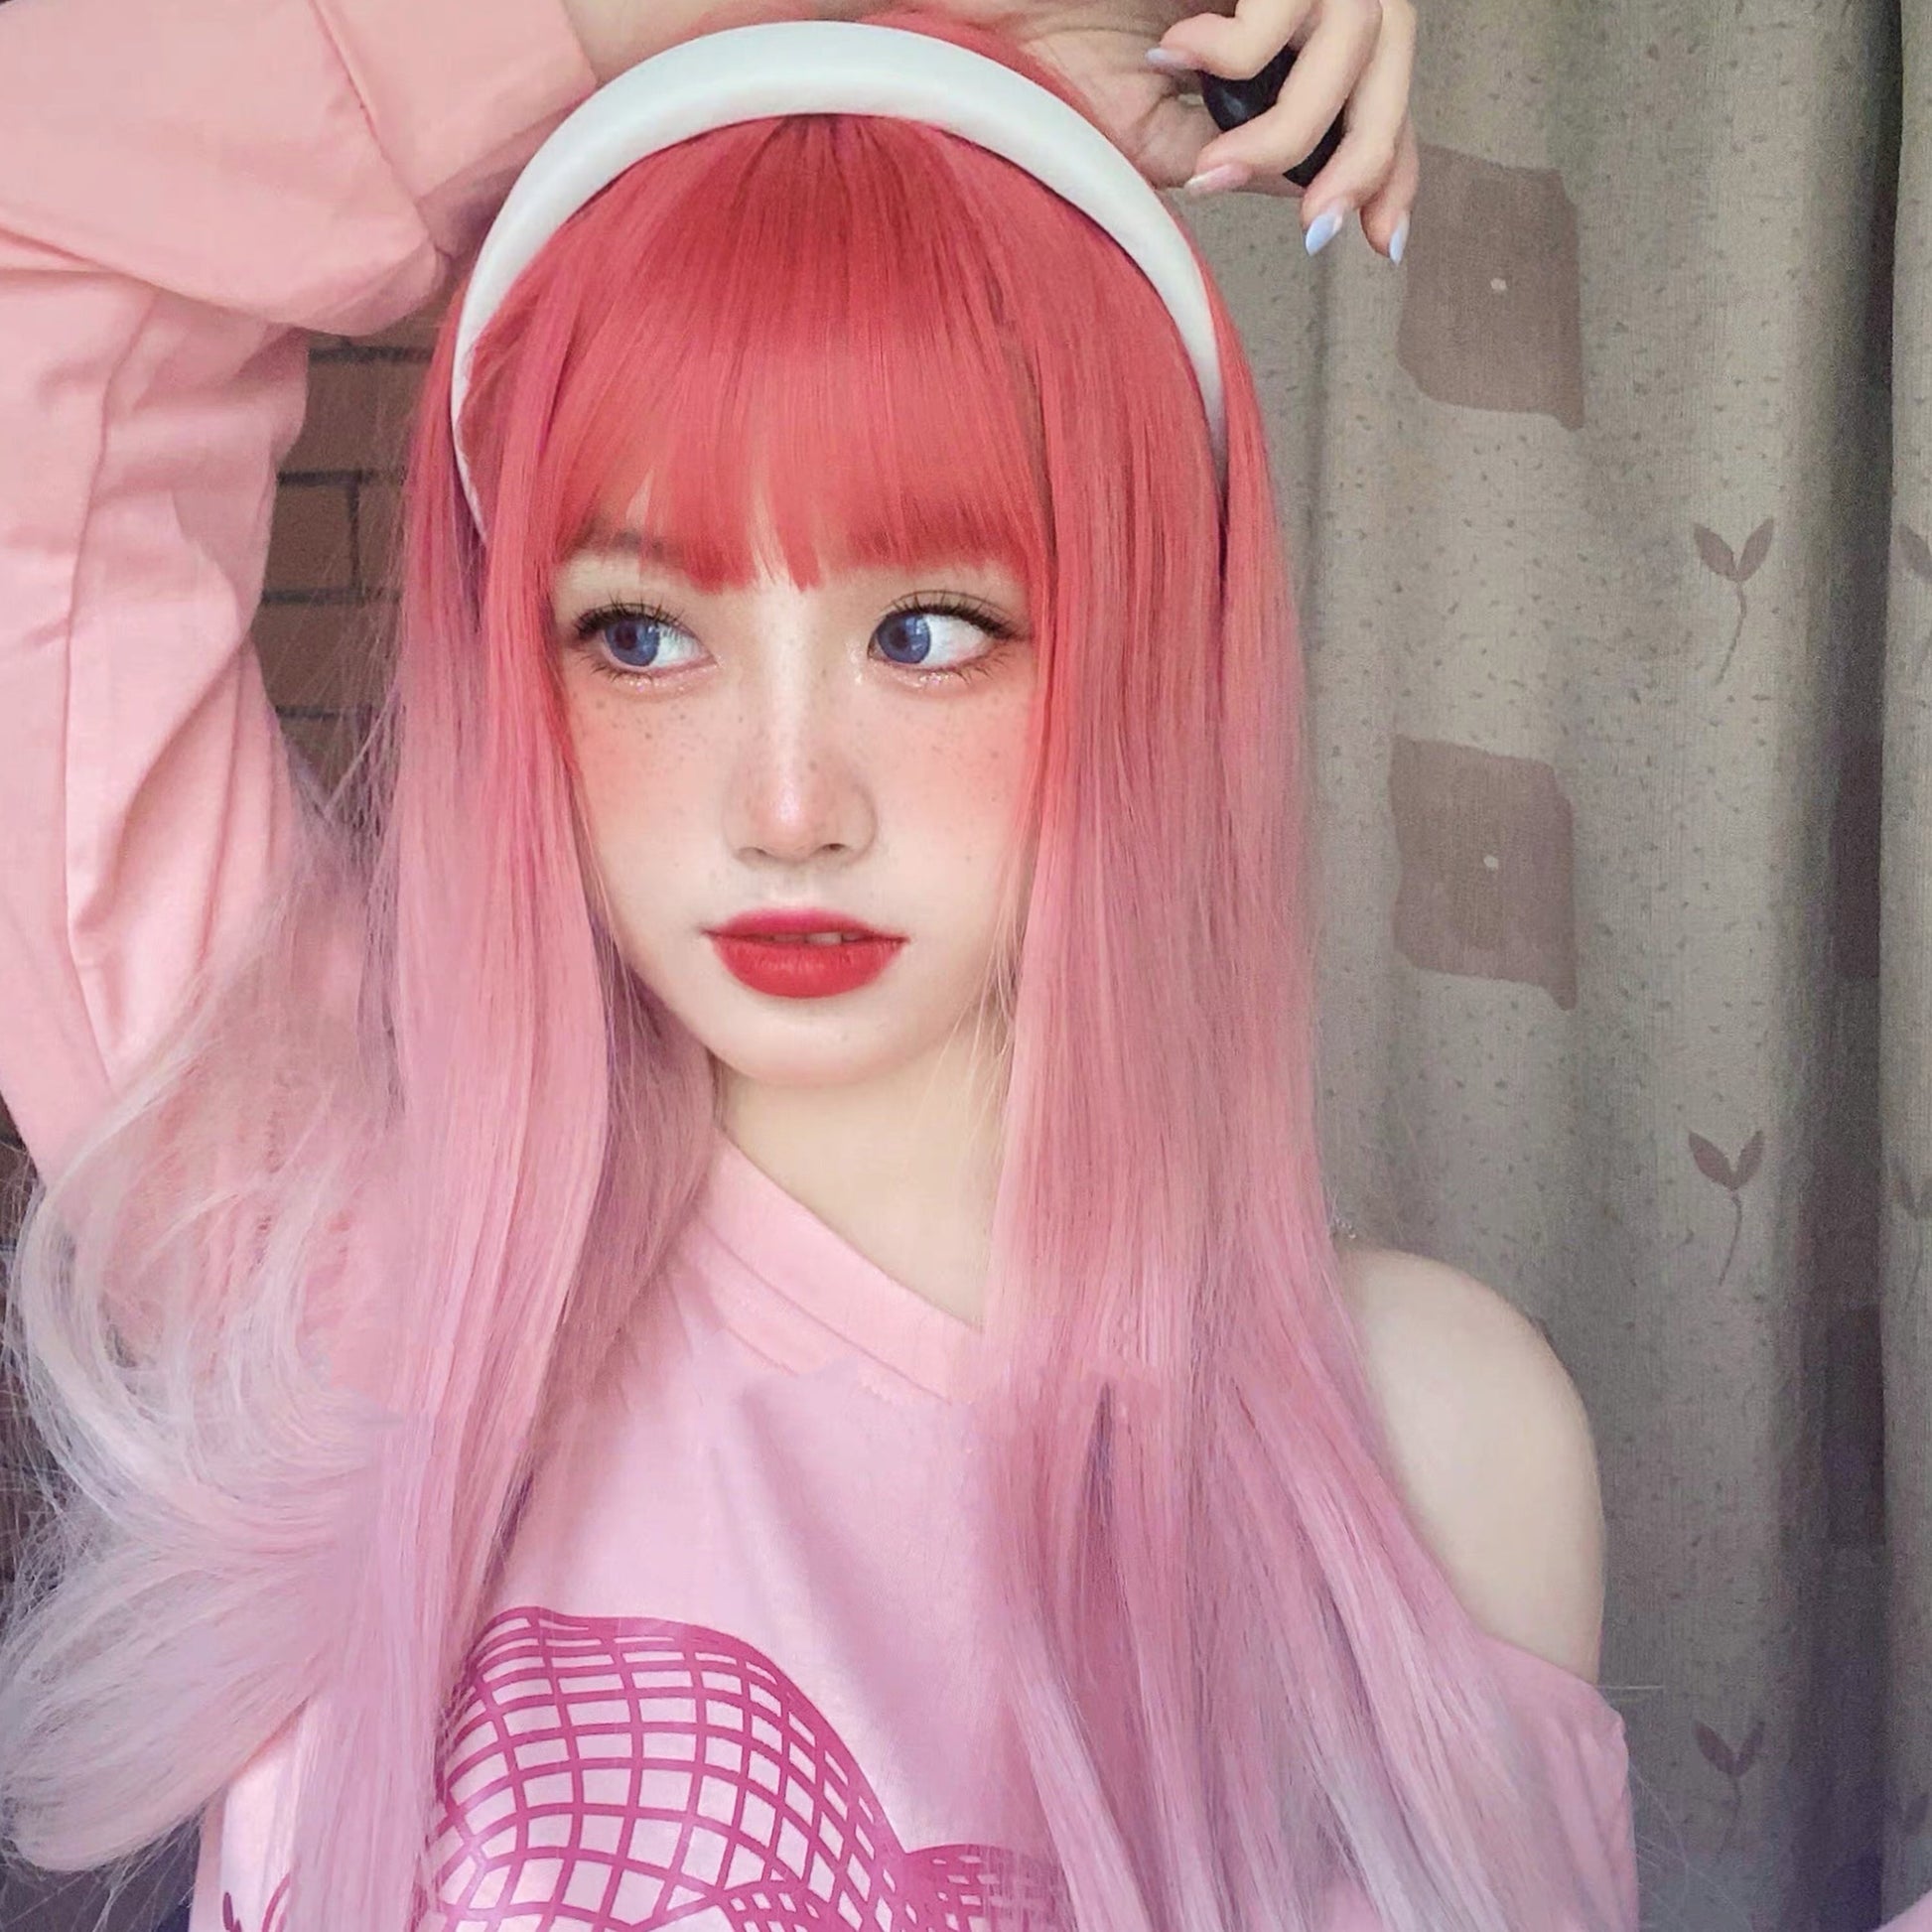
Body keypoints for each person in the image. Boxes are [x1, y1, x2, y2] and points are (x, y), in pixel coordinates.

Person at [0, 0, 1632, 1927]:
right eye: (641, 634)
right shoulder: (346, 1254)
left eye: (926, 630)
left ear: (1142, 648)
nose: (786, 806)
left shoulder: (1420, 1447)